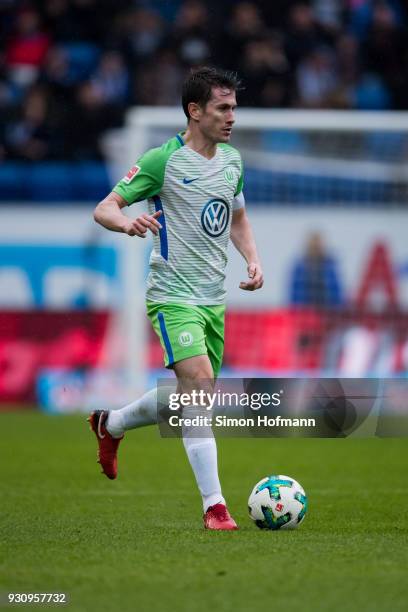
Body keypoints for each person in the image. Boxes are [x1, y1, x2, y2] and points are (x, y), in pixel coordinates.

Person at [88, 66, 263, 530]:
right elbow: (105, 207)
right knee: (201, 388)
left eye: (233, 108)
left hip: (213, 300)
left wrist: (252, 258)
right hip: (171, 296)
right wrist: (127, 224)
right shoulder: (161, 161)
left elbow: (238, 219)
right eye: (223, 108)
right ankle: (215, 506)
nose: (231, 117)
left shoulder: (232, 162)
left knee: (190, 396)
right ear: (195, 110)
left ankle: (113, 423)